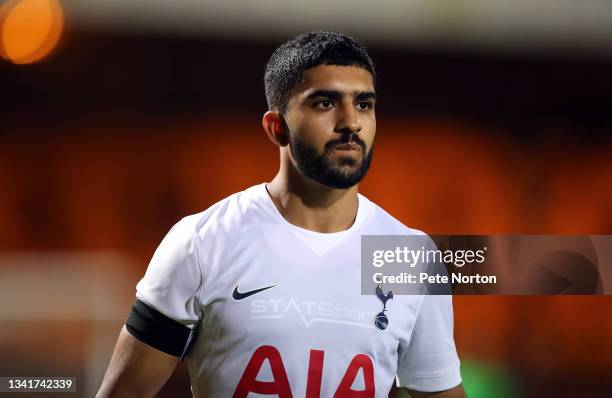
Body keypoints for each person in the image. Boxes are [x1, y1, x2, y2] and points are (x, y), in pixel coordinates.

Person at [96, 31, 466, 398]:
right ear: (277, 128)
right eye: (325, 103)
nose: (351, 122)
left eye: (364, 104)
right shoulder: (203, 242)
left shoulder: (410, 257)